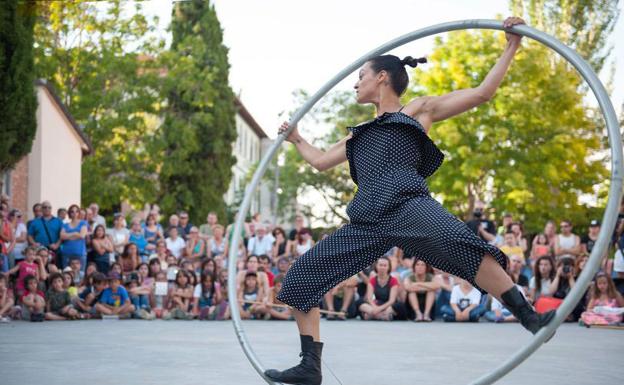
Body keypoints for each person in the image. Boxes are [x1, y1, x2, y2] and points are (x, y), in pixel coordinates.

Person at [264, 17, 554, 385]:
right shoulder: (359, 135)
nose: (356, 83)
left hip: (408, 204)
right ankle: (310, 366)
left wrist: (511, 45)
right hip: (368, 217)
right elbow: (320, 161)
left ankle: (529, 318)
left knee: (467, 246)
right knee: (301, 278)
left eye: (361, 76)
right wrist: (296, 138)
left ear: (382, 77)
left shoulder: (417, 111)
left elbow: (482, 93)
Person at [60, 204, 88, 271]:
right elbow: (62, 236)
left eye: (76, 211)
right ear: (69, 213)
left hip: (80, 253)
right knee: (66, 274)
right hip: (67, 253)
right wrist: (75, 233)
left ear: (79, 213)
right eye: (72, 211)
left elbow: (82, 236)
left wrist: (68, 235)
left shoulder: (83, 223)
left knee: (80, 275)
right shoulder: (65, 225)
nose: (74, 213)